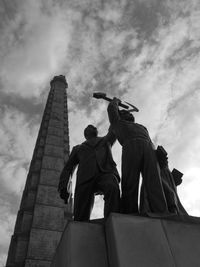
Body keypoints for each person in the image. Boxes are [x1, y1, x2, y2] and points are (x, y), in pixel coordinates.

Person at [107, 98, 168, 214]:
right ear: (121, 116)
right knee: (130, 183)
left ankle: (161, 212)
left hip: (149, 148)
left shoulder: (142, 127)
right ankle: (130, 213)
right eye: (126, 113)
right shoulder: (118, 123)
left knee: (154, 182)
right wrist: (115, 101)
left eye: (130, 113)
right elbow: (111, 110)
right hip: (130, 146)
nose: (130, 114)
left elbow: (150, 140)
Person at [58, 124, 120, 221]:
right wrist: (63, 185)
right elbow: (68, 168)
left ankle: (112, 221)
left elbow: (115, 127)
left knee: (112, 187)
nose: (92, 128)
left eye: (93, 127)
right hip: (84, 179)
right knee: (80, 216)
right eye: (89, 128)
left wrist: (114, 110)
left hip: (104, 174)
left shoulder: (105, 140)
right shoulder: (77, 149)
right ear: (86, 134)